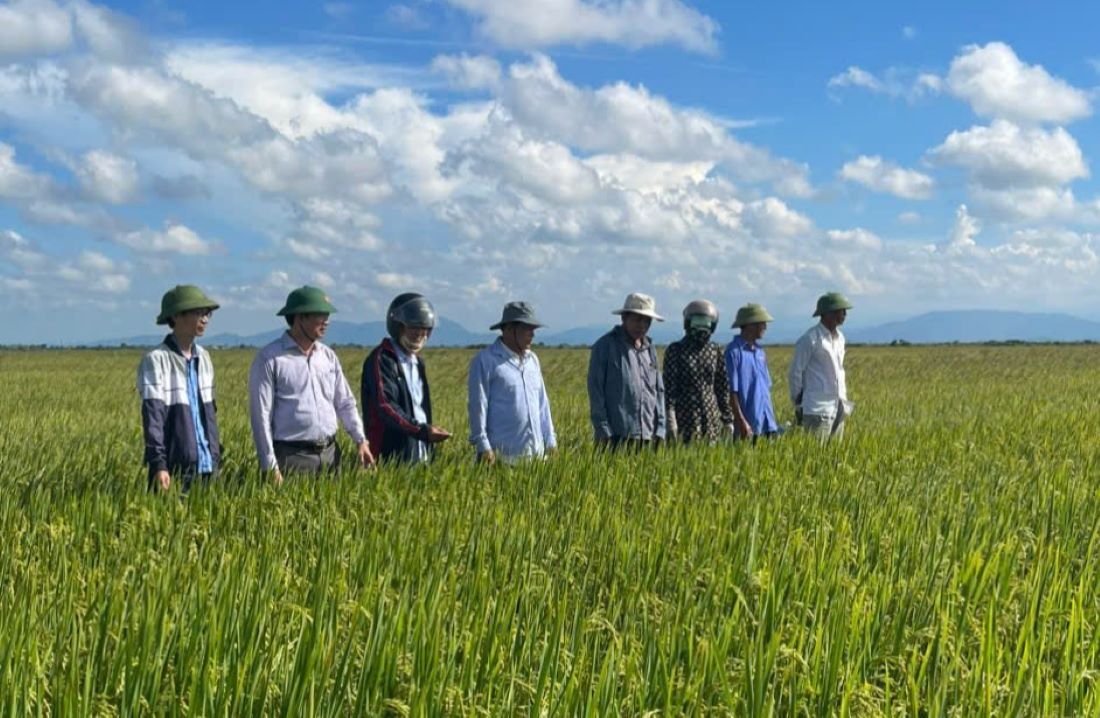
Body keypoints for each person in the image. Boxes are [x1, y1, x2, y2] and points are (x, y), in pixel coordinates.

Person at [248, 286, 374, 482]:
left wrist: (361, 440)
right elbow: (261, 416)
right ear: (299, 317)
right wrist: (269, 465)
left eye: (327, 315)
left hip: (331, 455)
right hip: (292, 458)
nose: (327, 321)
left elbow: (345, 402)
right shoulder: (270, 358)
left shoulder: (327, 356)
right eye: (320, 315)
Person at [137, 285, 223, 492]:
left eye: (207, 313)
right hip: (175, 469)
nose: (205, 319)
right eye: (198, 312)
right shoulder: (156, 360)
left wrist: (217, 458)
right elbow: (153, 418)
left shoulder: (204, 358)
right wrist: (159, 465)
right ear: (175, 317)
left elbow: (210, 416)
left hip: (208, 467)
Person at [361, 293, 452, 464]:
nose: (419, 333)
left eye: (424, 328)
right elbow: (386, 405)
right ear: (398, 327)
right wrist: (421, 431)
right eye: (413, 327)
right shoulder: (382, 359)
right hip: (389, 457)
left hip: (420, 454)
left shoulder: (418, 363)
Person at [467, 301, 557, 464]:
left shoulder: (533, 360)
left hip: (537, 459)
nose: (532, 334)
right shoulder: (485, 361)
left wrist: (550, 440)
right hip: (502, 459)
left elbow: (542, 404)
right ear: (509, 329)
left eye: (533, 329)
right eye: (527, 329)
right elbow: (478, 406)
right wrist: (483, 446)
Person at [587, 292, 667, 449]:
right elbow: (596, 392)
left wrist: (661, 429)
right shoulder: (605, 346)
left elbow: (659, 392)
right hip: (616, 436)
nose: (642, 325)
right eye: (637, 319)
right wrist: (603, 431)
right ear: (624, 318)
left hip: (648, 435)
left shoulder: (649, 348)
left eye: (647, 321)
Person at [662, 299, 734, 444]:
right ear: (687, 323)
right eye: (697, 322)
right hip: (684, 419)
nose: (701, 328)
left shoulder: (716, 351)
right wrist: (670, 417)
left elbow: (722, 388)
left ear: (713, 325)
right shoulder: (676, 350)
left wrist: (728, 419)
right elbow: (669, 388)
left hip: (711, 419)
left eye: (705, 323)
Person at [789, 292, 853, 441]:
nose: (845, 314)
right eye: (840, 310)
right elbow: (795, 372)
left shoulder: (840, 338)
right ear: (828, 314)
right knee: (816, 455)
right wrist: (798, 401)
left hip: (839, 406)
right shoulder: (810, 339)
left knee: (835, 455)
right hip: (817, 408)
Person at [725, 303, 781, 441]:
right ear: (750, 325)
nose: (765, 327)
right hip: (748, 425)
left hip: (768, 423)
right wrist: (741, 421)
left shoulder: (760, 352)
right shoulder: (733, 352)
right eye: (762, 323)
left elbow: (765, 389)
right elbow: (732, 393)